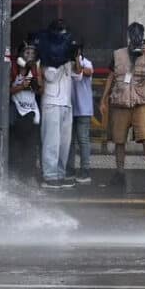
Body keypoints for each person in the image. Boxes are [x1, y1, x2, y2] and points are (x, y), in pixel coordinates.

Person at [99, 22, 145, 186]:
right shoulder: (118, 54)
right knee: (119, 140)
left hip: (140, 103)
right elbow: (111, 77)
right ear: (128, 36)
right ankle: (120, 173)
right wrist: (103, 99)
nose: (135, 37)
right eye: (133, 34)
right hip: (121, 102)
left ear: (143, 36)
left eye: (138, 35)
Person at [39, 33, 78, 189]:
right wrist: (61, 61)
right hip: (52, 103)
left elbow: (79, 74)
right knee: (51, 142)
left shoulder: (68, 60)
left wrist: (75, 56)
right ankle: (49, 175)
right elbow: (51, 76)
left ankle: (60, 173)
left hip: (66, 104)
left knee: (64, 143)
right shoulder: (46, 59)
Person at [9, 43, 41, 184]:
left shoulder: (34, 70)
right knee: (16, 145)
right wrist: (22, 86)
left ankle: (28, 175)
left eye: (32, 53)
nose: (30, 56)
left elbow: (41, 90)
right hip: (17, 111)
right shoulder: (13, 69)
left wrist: (36, 75)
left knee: (31, 146)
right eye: (27, 53)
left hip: (31, 111)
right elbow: (7, 90)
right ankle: (14, 174)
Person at [67, 42, 95, 184]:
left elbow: (85, 72)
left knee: (83, 140)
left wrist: (78, 59)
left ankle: (85, 170)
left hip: (83, 109)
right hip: (70, 108)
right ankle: (69, 168)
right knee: (69, 140)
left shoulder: (87, 63)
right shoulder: (66, 64)